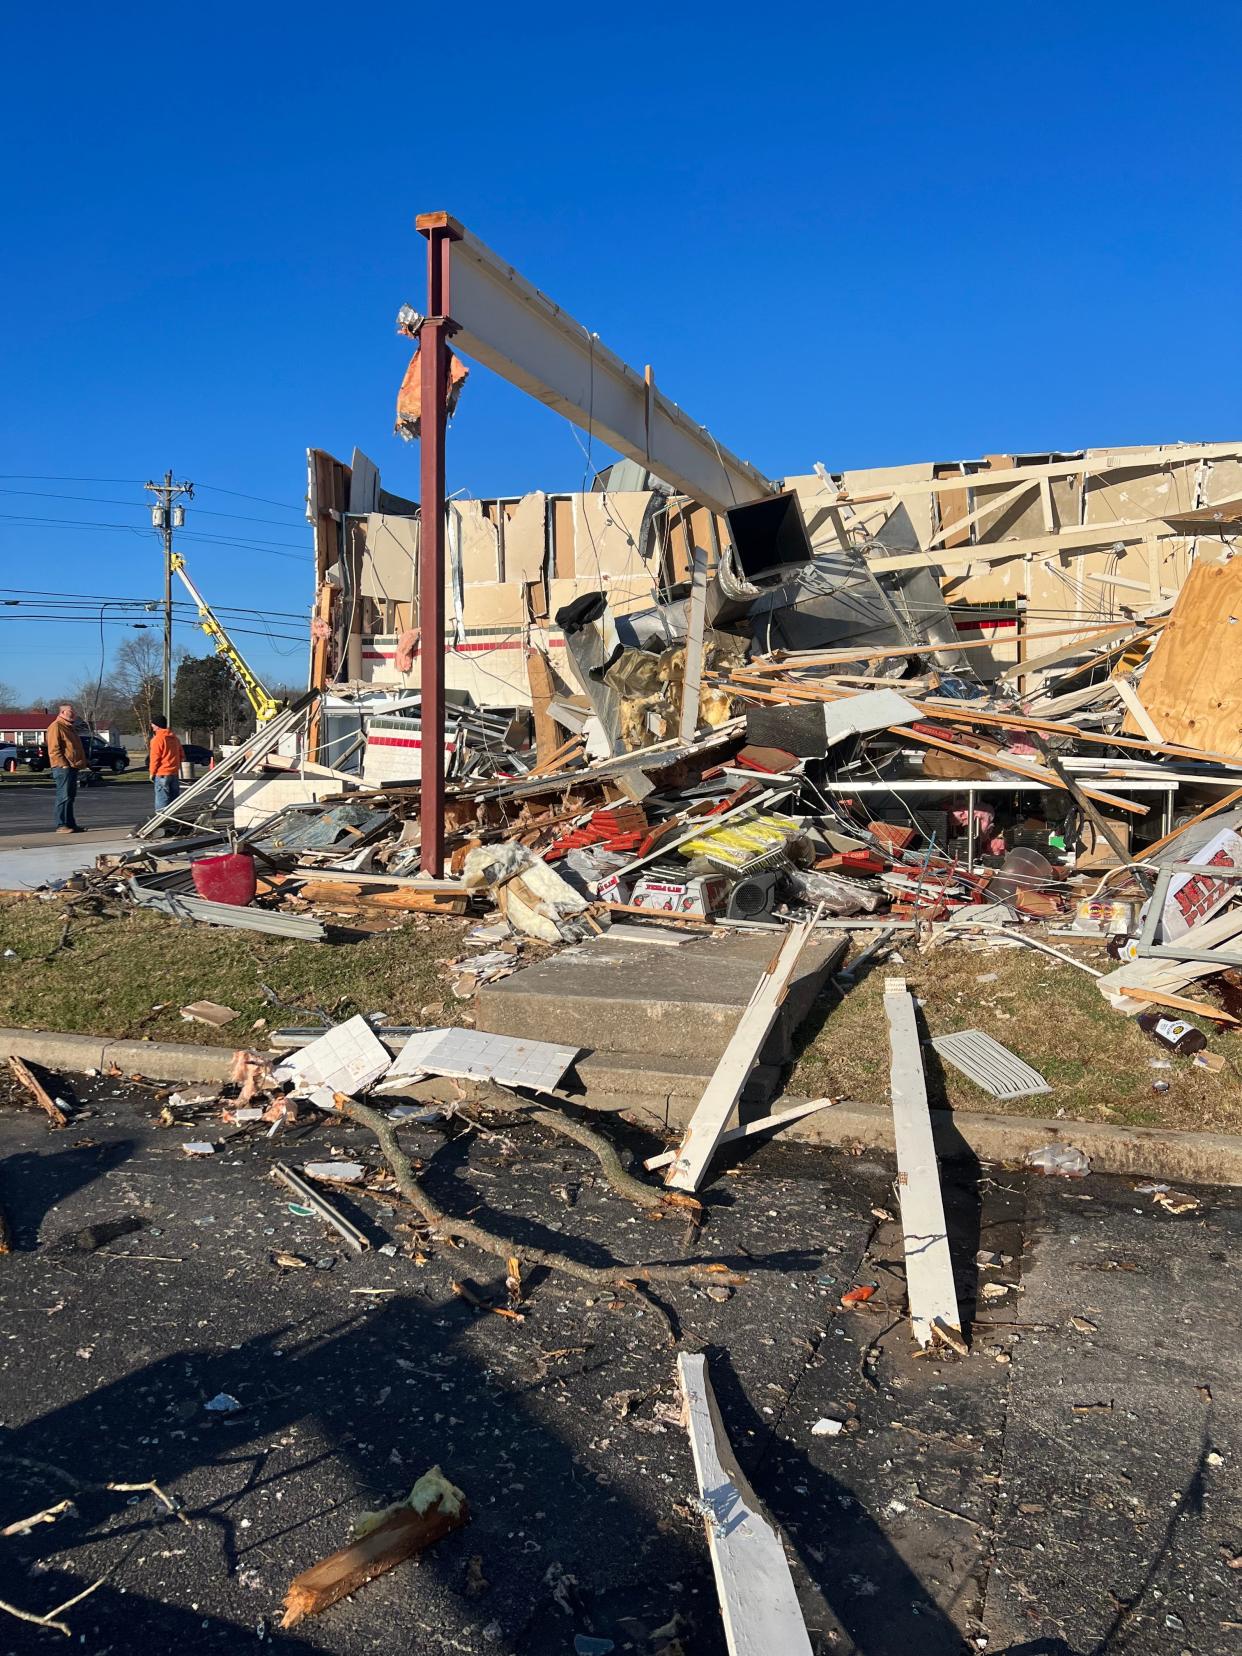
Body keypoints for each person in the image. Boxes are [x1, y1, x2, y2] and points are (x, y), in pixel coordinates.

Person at [45, 703, 89, 834]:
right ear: (62, 713)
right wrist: (63, 764)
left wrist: (83, 762)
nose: (73, 713)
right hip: (63, 767)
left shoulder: (70, 728)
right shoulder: (56, 726)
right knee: (63, 796)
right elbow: (54, 749)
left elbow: (74, 748)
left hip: (73, 766)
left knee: (70, 796)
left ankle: (71, 824)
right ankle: (61, 824)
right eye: (70, 711)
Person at [148, 717, 184, 812]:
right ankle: (174, 821)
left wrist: (152, 772)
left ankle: (162, 821)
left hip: (162, 773)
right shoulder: (175, 738)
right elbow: (182, 755)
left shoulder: (157, 739)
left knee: (162, 800)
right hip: (174, 773)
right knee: (174, 800)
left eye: (153, 724)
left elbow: (155, 758)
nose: (152, 726)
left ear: (158, 726)